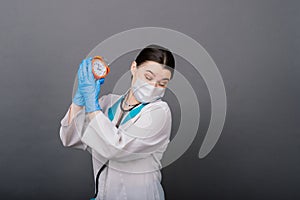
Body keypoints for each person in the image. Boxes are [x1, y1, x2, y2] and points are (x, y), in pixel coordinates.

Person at [59, 44, 175, 200]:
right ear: (134, 67)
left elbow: (116, 149)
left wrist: (92, 108)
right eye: (148, 77)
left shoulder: (159, 112)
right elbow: (70, 138)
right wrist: (79, 102)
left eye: (162, 83)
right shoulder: (107, 103)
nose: (153, 87)